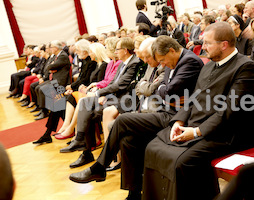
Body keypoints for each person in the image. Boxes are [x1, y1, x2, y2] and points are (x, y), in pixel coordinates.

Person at [69, 35, 203, 200]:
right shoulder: (171, 60)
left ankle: (99, 167)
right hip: (164, 110)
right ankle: (133, 194)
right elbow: (161, 88)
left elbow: (167, 90)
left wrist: (160, 89)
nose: (162, 64)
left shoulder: (189, 61)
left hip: (176, 116)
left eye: (162, 60)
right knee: (128, 140)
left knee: (122, 120)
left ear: (171, 50)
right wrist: (161, 89)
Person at [140, 22, 254, 200]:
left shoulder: (245, 67)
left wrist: (197, 132)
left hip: (227, 134)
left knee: (182, 162)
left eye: (207, 43)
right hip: (197, 126)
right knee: (153, 147)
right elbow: (193, 99)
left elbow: (230, 111)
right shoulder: (208, 66)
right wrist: (179, 121)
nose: (202, 47)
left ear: (224, 44)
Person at [102, 37, 165, 170]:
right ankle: (128, 177)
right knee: (115, 126)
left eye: (147, 57)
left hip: (152, 110)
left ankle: (104, 162)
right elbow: (139, 86)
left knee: (117, 121)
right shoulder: (148, 65)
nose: (145, 60)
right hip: (138, 103)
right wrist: (144, 86)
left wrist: (144, 87)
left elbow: (149, 89)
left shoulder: (162, 65)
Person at [33, 40, 71, 120]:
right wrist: (52, 66)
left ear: (56, 48)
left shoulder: (63, 56)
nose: (50, 49)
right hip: (55, 79)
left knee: (41, 89)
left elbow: (49, 67)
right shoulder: (57, 56)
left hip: (60, 81)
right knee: (38, 87)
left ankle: (45, 111)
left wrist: (52, 66)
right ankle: (43, 109)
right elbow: (49, 67)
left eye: (51, 47)